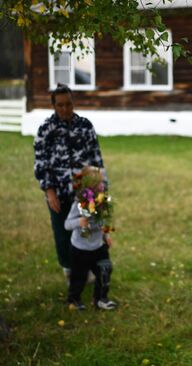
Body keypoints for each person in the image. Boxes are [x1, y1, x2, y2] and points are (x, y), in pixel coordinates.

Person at [34, 84, 106, 283]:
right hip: (58, 191)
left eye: (68, 104)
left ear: (73, 102)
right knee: (62, 232)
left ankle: (90, 267)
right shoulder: (46, 130)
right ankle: (69, 270)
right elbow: (41, 163)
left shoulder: (85, 126)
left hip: (85, 191)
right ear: (54, 106)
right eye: (60, 105)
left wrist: (99, 188)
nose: (65, 109)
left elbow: (96, 158)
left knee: (89, 228)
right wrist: (50, 192)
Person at [64, 166, 117, 310]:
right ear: (88, 187)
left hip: (98, 246)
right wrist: (79, 222)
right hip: (80, 248)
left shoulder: (103, 201)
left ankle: (100, 299)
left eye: (101, 182)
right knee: (79, 277)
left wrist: (107, 235)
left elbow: (106, 219)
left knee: (105, 269)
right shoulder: (79, 204)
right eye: (97, 184)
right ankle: (74, 299)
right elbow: (67, 224)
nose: (101, 186)